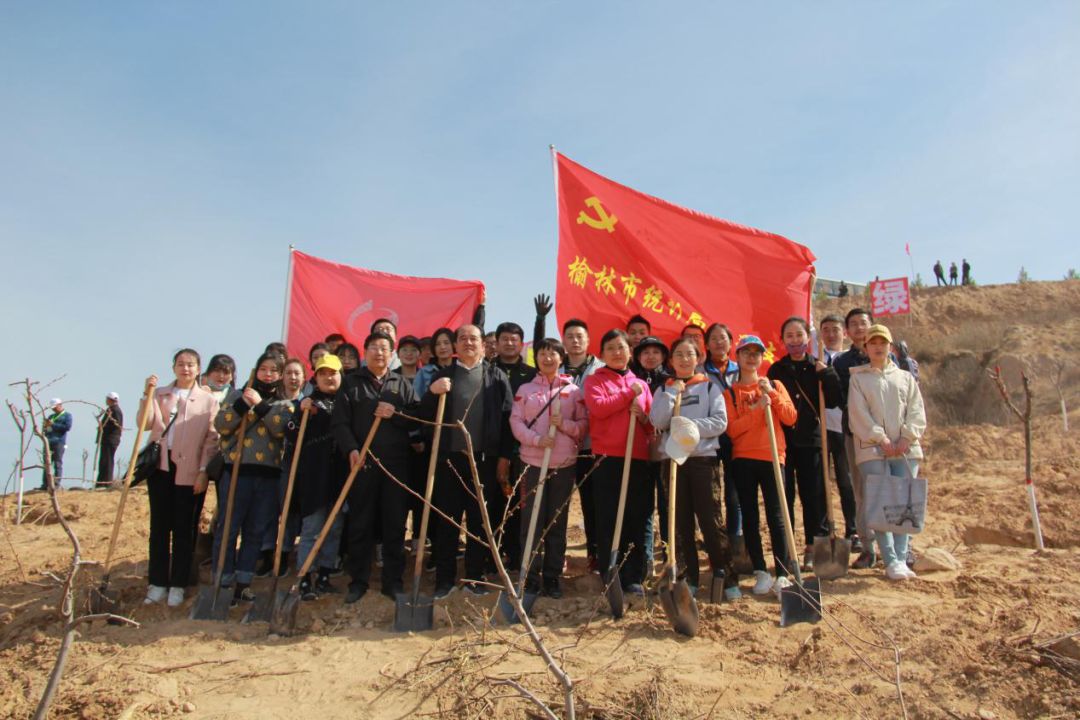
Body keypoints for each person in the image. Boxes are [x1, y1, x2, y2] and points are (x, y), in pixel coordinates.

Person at [421, 324, 513, 598]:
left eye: (474, 339)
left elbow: (508, 420)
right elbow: (424, 416)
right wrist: (432, 393)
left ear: (484, 346)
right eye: (462, 339)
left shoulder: (496, 377)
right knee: (448, 521)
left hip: (484, 461)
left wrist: (504, 458)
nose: (468, 343)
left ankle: (474, 577)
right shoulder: (443, 376)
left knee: (479, 522)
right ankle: (444, 580)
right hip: (449, 460)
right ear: (455, 347)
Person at [332, 332, 419, 602]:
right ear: (365, 351)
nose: (379, 353)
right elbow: (340, 422)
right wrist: (351, 449)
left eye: (384, 348)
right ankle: (358, 581)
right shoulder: (351, 383)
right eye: (373, 348)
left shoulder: (401, 384)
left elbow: (417, 419)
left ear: (391, 353)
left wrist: (397, 413)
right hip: (363, 464)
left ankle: (392, 582)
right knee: (361, 523)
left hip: (396, 465)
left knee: (394, 523)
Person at [650, 337, 737, 599]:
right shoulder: (663, 389)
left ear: (699, 358)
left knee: (711, 519)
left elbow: (720, 422)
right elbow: (657, 420)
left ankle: (725, 574)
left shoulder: (709, 388)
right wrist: (671, 394)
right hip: (673, 461)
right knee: (680, 521)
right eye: (679, 354)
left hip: (702, 459)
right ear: (671, 360)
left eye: (690, 354)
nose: (684, 359)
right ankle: (688, 577)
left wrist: (689, 429)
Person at [139, 349, 220, 607]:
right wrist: (147, 395)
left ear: (198, 370)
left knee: (185, 529)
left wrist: (204, 471)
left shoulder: (207, 400)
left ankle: (179, 583)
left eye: (191, 365)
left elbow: (211, 440)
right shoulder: (161, 394)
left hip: (190, 469)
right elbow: (146, 423)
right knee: (159, 527)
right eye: (181, 364)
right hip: (161, 467)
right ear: (173, 367)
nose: (185, 369)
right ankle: (157, 582)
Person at [510, 338, 588, 598]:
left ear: (561, 357)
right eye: (542, 354)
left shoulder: (573, 391)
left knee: (557, 523)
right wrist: (536, 440)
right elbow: (516, 422)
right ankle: (529, 576)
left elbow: (582, 427)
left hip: (563, 465)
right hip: (532, 464)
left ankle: (552, 577)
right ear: (536, 359)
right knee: (530, 522)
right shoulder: (526, 389)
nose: (547, 358)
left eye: (552, 354)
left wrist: (563, 424)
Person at [848, 324, 926, 581]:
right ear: (866, 347)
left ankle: (902, 558)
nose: (878, 347)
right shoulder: (858, 378)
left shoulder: (905, 378)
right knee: (881, 505)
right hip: (873, 451)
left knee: (904, 504)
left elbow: (916, 410)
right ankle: (890, 559)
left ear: (890, 347)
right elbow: (858, 415)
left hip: (905, 450)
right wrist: (880, 439)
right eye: (873, 343)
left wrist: (906, 437)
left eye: (883, 343)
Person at [213, 352, 293, 605]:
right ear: (255, 370)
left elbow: (280, 428)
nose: (267, 374)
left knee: (256, 530)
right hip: (237, 470)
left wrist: (259, 405)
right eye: (263, 369)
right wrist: (244, 404)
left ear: (280, 375)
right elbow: (222, 424)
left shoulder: (284, 403)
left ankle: (244, 582)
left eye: (273, 370)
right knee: (228, 527)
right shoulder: (237, 395)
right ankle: (222, 580)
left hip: (268, 475)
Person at [724, 336, 798, 596]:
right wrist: (756, 409)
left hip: (774, 457)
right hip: (743, 459)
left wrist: (772, 396)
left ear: (762, 358)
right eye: (746, 352)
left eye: (757, 353)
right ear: (738, 357)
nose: (752, 357)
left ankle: (782, 573)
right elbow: (733, 431)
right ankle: (760, 570)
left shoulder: (775, 385)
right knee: (751, 517)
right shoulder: (730, 393)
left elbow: (790, 418)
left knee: (777, 516)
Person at [766, 317, 841, 570]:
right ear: (782, 340)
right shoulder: (776, 370)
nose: (795, 340)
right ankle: (787, 549)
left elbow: (833, 401)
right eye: (790, 336)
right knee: (784, 496)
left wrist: (827, 374)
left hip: (812, 441)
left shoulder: (817, 367)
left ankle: (813, 547)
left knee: (815, 496)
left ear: (808, 339)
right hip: (784, 443)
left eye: (799, 335)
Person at [584, 329, 654, 596]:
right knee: (609, 517)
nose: (616, 352)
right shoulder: (594, 381)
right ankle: (610, 572)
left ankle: (633, 575)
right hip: (608, 457)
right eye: (610, 348)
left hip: (637, 457)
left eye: (621, 347)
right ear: (601, 354)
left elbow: (651, 428)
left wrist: (645, 419)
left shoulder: (642, 384)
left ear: (629, 352)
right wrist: (627, 395)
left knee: (635, 518)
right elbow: (599, 407)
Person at [288, 353, 348, 599]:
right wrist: (300, 415)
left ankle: (325, 574)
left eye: (332, 373)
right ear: (316, 377)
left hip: (341, 474)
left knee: (334, 527)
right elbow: (291, 434)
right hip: (315, 475)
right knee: (312, 527)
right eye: (323, 373)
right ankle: (305, 577)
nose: (328, 378)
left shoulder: (347, 402)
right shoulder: (308, 403)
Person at [833, 308, 876, 568]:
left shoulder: (886, 353)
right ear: (846, 331)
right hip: (856, 434)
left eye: (864, 323)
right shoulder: (841, 362)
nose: (859, 328)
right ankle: (869, 547)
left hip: (891, 435)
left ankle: (899, 548)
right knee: (862, 491)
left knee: (893, 490)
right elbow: (839, 398)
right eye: (854, 324)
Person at [560, 319, 602, 570]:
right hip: (560, 446)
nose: (575, 341)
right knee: (558, 502)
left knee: (592, 501)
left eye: (580, 336)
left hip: (590, 446)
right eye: (570, 336)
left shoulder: (600, 369)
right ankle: (557, 553)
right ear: (564, 340)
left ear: (587, 341)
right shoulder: (555, 366)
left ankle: (594, 552)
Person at [629, 336, 670, 565]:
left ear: (663, 356)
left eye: (656, 352)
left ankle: (668, 557)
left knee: (667, 507)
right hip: (640, 453)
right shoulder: (631, 382)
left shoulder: (672, 382)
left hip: (665, 452)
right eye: (645, 352)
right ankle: (645, 561)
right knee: (643, 508)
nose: (650, 356)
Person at [700, 323, 741, 545]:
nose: (718, 342)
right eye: (713, 339)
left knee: (734, 493)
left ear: (731, 342)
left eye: (723, 338)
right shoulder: (700, 371)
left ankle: (735, 538)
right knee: (709, 492)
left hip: (737, 437)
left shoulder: (740, 368)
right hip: (709, 437)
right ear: (706, 344)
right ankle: (713, 537)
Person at [818, 315, 858, 546]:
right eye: (826, 330)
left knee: (846, 481)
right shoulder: (816, 359)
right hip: (821, 428)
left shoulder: (847, 360)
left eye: (835, 330)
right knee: (822, 481)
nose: (831, 334)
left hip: (844, 427)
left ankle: (852, 529)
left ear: (844, 333)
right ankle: (824, 531)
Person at [413, 327, 456, 397]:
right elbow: (416, 399)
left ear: (454, 345)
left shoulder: (460, 369)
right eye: (438, 344)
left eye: (446, 343)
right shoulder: (423, 372)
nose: (442, 347)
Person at [42, 399, 72, 489]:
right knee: (47, 463)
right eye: (52, 408)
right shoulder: (51, 416)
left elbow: (67, 427)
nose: (53, 410)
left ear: (60, 405)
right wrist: (45, 426)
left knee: (57, 463)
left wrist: (53, 424)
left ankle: (56, 484)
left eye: (55, 407)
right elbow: (46, 428)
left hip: (59, 442)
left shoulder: (67, 416)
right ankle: (45, 484)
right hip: (48, 442)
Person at [95, 392, 123, 489]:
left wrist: (103, 427)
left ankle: (106, 483)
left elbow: (117, 425)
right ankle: (101, 482)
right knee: (104, 460)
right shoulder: (110, 409)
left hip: (111, 439)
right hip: (107, 439)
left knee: (108, 460)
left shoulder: (115, 410)